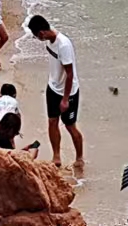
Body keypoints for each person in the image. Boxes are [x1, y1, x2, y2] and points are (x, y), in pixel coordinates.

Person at [27, 13, 84, 170]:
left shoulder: (63, 45)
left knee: (70, 126)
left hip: (68, 91)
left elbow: (70, 74)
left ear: (42, 33)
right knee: (52, 121)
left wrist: (65, 99)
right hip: (53, 87)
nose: (38, 39)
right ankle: (56, 156)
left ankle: (79, 157)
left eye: (37, 36)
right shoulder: (49, 40)